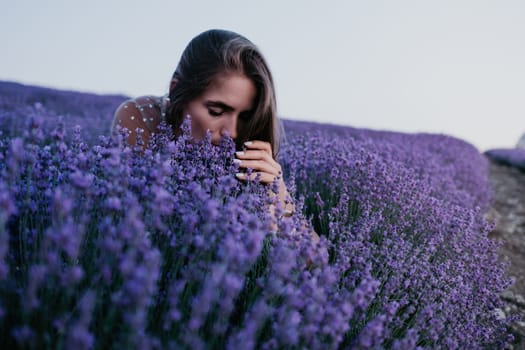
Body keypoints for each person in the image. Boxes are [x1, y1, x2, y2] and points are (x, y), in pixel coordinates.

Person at [112, 29, 317, 240]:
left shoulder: (248, 146)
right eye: (216, 111)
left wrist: (282, 204)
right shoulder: (141, 118)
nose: (233, 132)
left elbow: (320, 263)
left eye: (246, 117)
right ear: (176, 91)